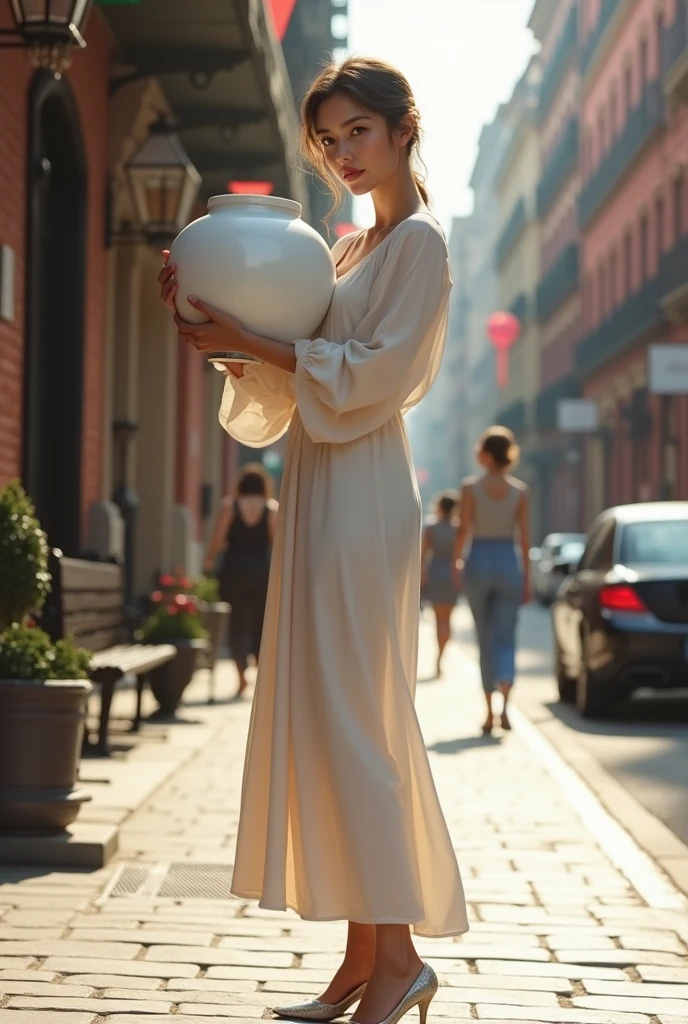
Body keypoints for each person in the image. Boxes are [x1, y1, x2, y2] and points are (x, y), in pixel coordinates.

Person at [158, 56, 467, 1024]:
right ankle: (360, 963)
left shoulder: (419, 244)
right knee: (331, 726)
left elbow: (380, 372)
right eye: (328, 142)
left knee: (356, 724)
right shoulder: (340, 251)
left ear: (402, 127)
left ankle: (400, 961)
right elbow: (280, 378)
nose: (342, 155)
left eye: (357, 134)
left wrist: (270, 344)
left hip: (367, 488)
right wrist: (202, 316)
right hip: (320, 485)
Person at [453, 426, 531, 735]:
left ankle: (488, 713)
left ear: (486, 453)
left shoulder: (470, 487)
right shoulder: (520, 491)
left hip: (479, 559)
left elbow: (463, 530)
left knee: (484, 638)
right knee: (506, 637)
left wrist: (456, 563)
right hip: (508, 561)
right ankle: (506, 708)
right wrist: (528, 577)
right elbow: (524, 537)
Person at [204, 465, 278, 698]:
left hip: (234, 570)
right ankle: (261, 677)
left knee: (237, 624)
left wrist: (209, 559)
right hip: (261, 573)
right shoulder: (271, 508)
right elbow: (276, 543)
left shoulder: (230, 506)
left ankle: (241, 678)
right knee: (260, 624)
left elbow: (218, 537)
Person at [421, 491, 459, 677]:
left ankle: (439, 658)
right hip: (452, 573)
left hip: (436, 572)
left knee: (438, 620)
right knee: (448, 619)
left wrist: (422, 578)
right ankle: (441, 656)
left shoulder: (431, 528)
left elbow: (423, 555)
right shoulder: (458, 529)